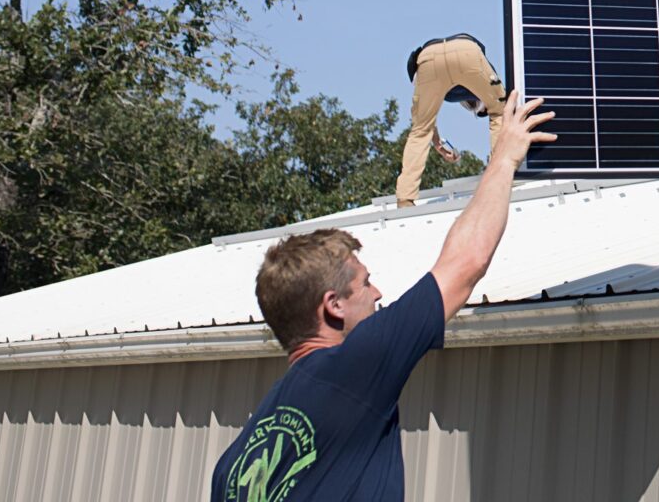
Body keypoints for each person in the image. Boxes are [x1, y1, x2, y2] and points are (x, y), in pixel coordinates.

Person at [210, 86, 556, 501]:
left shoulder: (233, 464)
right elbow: (465, 264)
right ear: (333, 305)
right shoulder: (354, 366)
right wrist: (505, 158)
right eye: (364, 282)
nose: (377, 293)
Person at [395, 33, 508, 206]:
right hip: (466, 51)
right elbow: (503, 103)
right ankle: (499, 178)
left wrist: (438, 145)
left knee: (419, 131)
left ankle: (405, 198)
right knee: (500, 113)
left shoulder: (455, 94)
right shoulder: (478, 87)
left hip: (428, 56)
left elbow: (424, 125)